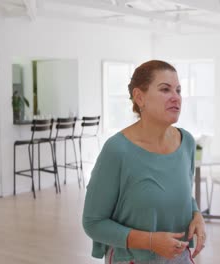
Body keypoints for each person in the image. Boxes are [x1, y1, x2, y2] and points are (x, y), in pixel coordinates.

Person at [83, 60, 206, 264]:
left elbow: (183, 195)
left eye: (178, 90)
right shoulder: (117, 150)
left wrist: (196, 215)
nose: (176, 97)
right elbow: (93, 223)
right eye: (165, 89)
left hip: (180, 258)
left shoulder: (187, 142)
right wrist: (151, 241)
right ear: (140, 97)